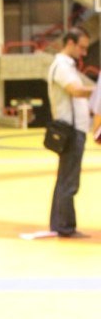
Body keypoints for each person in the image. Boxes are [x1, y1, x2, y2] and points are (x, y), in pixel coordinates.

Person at [47, 27, 94, 238]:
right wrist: (98, 90)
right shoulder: (62, 66)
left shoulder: (66, 66)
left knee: (65, 179)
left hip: (73, 130)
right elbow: (76, 90)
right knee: (69, 181)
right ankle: (65, 226)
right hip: (71, 131)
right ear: (70, 43)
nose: (84, 53)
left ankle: (60, 224)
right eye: (81, 48)